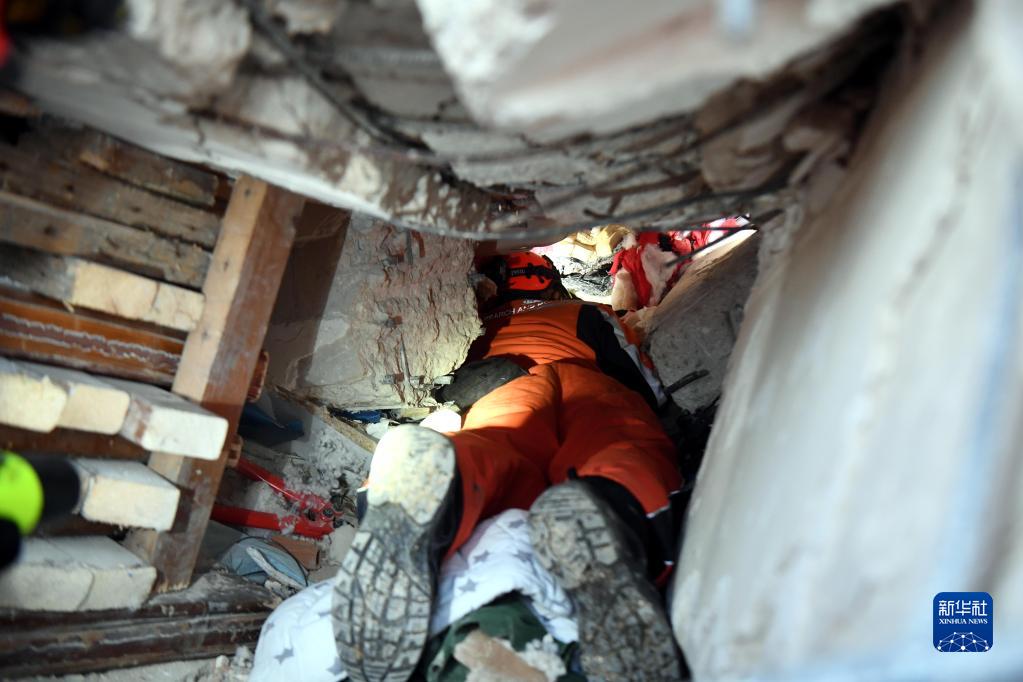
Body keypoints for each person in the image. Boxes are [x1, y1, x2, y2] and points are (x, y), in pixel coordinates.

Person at [332, 252, 686, 681]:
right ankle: (612, 507)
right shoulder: (584, 313)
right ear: (552, 285)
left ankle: (436, 489)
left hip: (497, 384)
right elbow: (644, 386)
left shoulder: (477, 326)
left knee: (493, 444)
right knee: (616, 441)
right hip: (582, 377)